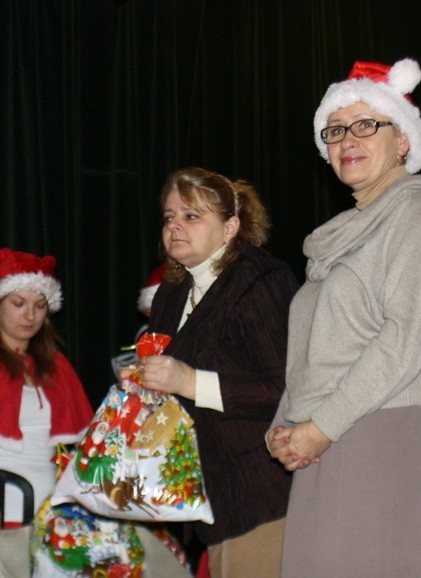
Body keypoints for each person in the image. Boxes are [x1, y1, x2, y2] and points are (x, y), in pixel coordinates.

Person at [267, 59, 421, 577]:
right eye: (335, 131)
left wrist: (319, 427)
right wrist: (286, 423)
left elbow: (404, 339)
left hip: (387, 427)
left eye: (365, 124)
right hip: (334, 430)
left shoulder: (415, 212)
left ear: (402, 140)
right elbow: (317, 347)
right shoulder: (344, 234)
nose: (347, 141)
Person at [135, 167, 299, 578]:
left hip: (262, 493)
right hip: (209, 496)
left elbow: (284, 389)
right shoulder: (173, 291)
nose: (175, 226)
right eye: (169, 217)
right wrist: (143, 384)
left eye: (191, 216)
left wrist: (188, 381)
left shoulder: (260, 280)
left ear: (230, 227)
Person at [0, 247, 94, 544]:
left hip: (53, 516)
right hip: (3, 506)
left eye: (39, 305)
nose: (30, 315)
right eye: (18, 303)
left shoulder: (57, 364)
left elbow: (84, 445)